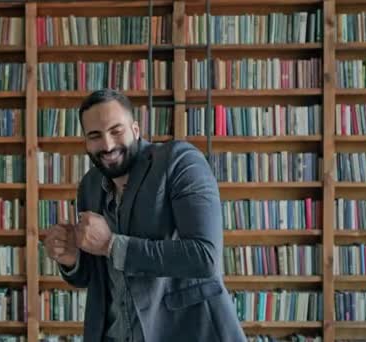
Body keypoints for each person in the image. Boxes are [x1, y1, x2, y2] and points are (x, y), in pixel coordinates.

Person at [43, 89, 246, 342]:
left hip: (185, 332)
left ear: (136, 130)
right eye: (95, 136)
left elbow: (204, 257)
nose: (107, 145)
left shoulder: (180, 161)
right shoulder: (89, 185)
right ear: (85, 142)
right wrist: (71, 259)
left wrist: (111, 244)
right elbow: (96, 276)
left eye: (116, 131)